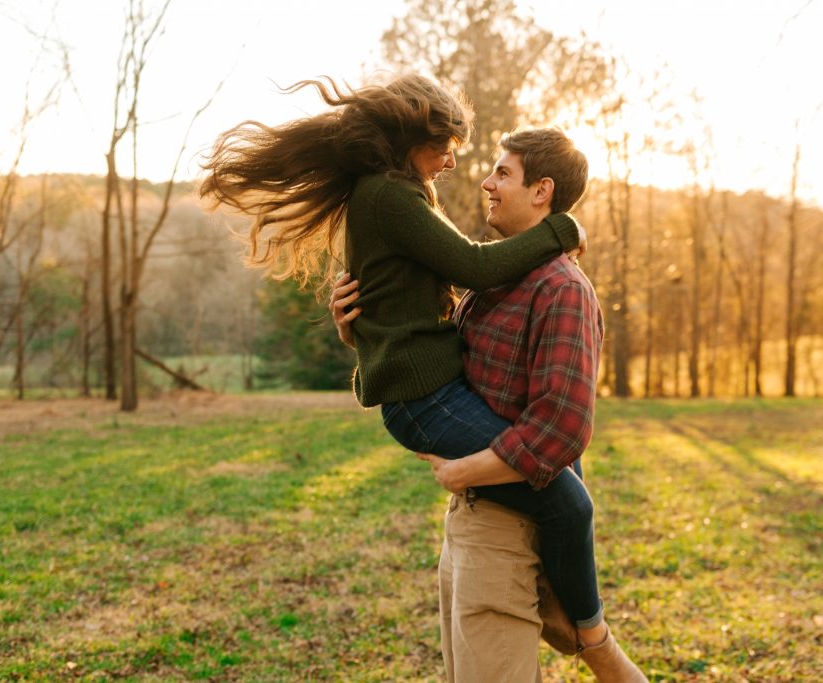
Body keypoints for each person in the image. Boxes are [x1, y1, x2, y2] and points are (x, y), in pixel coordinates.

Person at [199, 73, 607, 649]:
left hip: (431, 387)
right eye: (446, 146)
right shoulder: (391, 194)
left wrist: (359, 332)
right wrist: (561, 229)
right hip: (426, 398)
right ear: (413, 136)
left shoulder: (396, 192)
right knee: (568, 499)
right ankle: (589, 633)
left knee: (566, 470)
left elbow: (411, 305)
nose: (451, 162)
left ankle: (558, 600)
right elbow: (475, 267)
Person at [332, 128, 646, 681]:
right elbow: (429, 364)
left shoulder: (561, 289)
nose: (485, 182)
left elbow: (562, 427)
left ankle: (594, 638)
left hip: (508, 532)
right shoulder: (494, 282)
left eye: (503, 173)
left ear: (542, 190)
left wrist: (464, 470)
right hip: (469, 523)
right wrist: (358, 331)